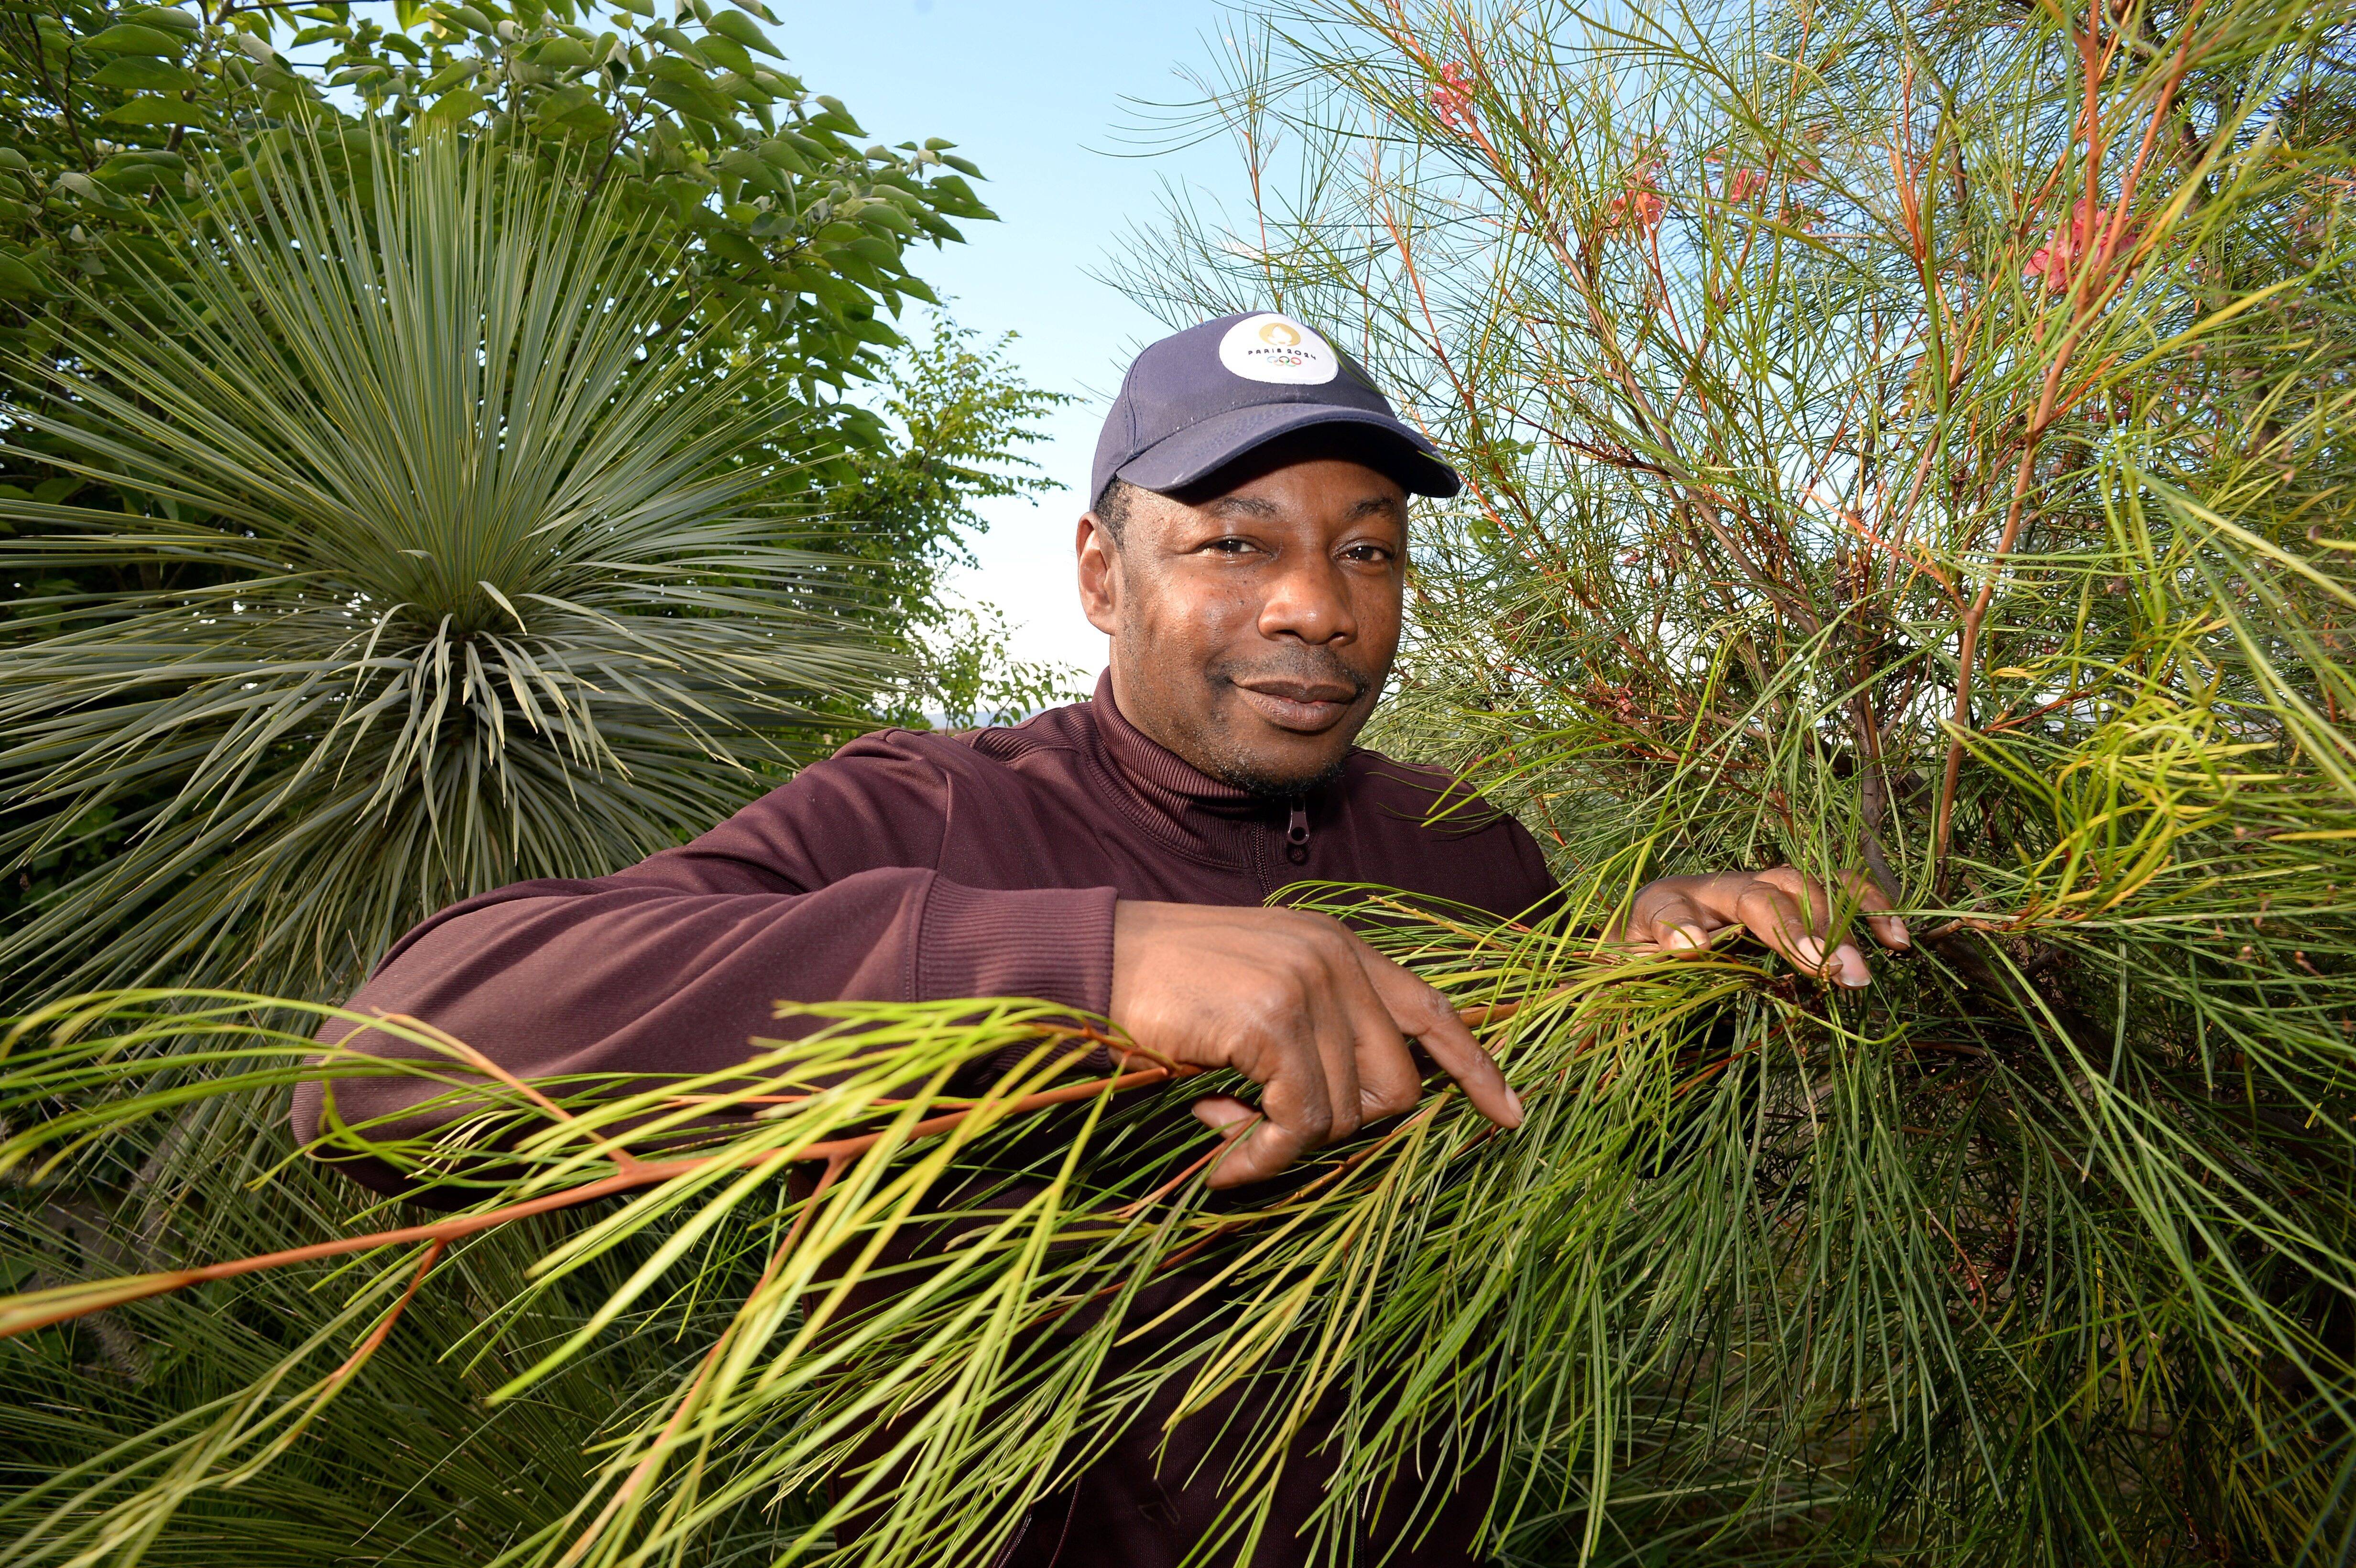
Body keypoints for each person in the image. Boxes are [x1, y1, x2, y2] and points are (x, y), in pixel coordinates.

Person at [296, 311, 1908, 1565]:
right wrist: (1087, 965)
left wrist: (1667, 985)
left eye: (1368, 549)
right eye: (1236, 542)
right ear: (1099, 573)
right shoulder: (925, 814)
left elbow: (1562, 1142)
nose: (1318, 606)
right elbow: (383, 1068)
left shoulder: (1464, 844)